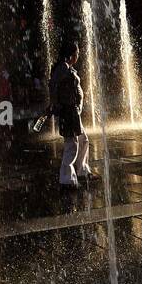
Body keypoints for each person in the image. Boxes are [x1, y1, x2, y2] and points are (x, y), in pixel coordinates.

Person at [50, 43, 97, 189]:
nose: (78, 55)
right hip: (68, 112)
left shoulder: (67, 67)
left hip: (74, 112)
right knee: (72, 145)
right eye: (77, 53)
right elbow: (52, 85)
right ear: (71, 54)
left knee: (83, 140)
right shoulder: (62, 68)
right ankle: (67, 179)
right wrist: (56, 104)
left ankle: (82, 170)